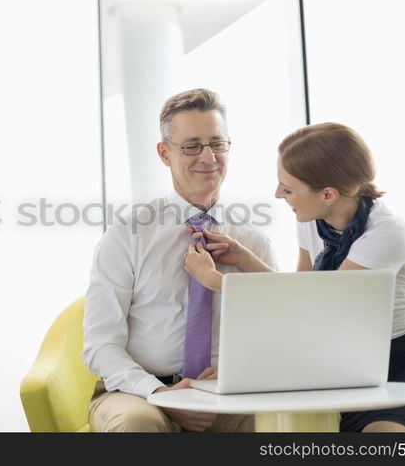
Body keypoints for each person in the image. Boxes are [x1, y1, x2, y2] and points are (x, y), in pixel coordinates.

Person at [184, 122, 405, 432]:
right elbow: (303, 294)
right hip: (350, 369)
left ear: (329, 194)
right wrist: (243, 258)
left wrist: (215, 281)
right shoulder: (311, 218)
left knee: (381, 434)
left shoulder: (386, 235)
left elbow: (317, 313)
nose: (278, 194)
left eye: (288, 189)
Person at [82, 89, 278, 432]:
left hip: (224, 394)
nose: (209, 157)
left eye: (217, 144)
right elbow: (100, 345)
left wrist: (242, 372)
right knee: (135, 426)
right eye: (192, 146)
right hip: (140, 392)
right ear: (164, 153)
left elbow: (277, 334)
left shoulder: (252, 241)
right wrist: (159, 392)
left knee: (285, 424)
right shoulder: (129, 233)